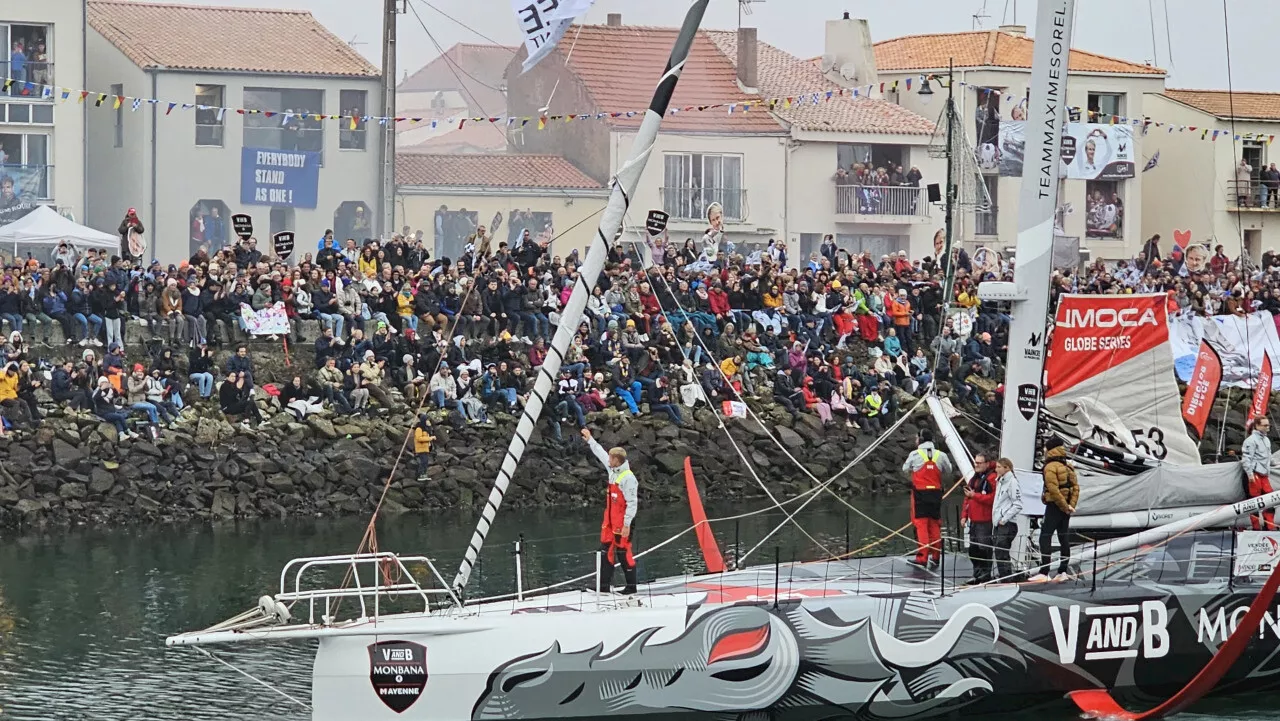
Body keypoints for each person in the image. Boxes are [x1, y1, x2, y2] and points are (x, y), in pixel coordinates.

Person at [582, 427, 638, 594]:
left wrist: (627, 524)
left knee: (623, 553)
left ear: (617, 460)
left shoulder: (628, 478)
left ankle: (631, 587)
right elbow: (600, 453)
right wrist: (590, 439)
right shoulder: (613, 471)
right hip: (610, 520)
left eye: (611, 458)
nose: (608, 460)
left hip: (623, 521)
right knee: (605, 551)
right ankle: (604, 586)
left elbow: (632, 503)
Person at [902, 428, 952, 570]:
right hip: (936, 493)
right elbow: (948, 470)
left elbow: (905, 468)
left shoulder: (915, 454)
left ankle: (922, 557)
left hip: (920, 494)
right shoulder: (941, 455)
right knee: (935, 524)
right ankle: (936, 557)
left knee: (921, 525)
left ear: (921, 439)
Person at [1031, 437, 1079, 582]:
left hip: (1054, 507)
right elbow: (1075, 488)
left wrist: (1063, 506)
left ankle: (1044, 572)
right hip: (1067, 509)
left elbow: (1053, 489)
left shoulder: (1050, 467)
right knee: (1063, 538)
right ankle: (1062, 571)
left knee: (1045, 536)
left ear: (1049, 449)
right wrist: (1070, 506)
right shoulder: (1068, 466)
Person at [961, 453, 997, 584]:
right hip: (974, 520)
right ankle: (977, 573)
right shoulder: (974, 479)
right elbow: (967, 498)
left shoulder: (992, 478)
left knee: (984, 548)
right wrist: (964, 516)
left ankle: (985, 574)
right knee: (974, 549)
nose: (976, 465)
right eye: (975, 463)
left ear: (987, 464)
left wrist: (974, 495)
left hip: (985, 520)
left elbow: (993, 499)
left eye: (979, 463)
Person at [991, 457, 1022, 581]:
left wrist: (1004, 519)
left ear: (1006, 468)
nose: (996, 469)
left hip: (1007, 523)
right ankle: (1004, 577)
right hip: (999, 522)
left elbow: (1018, 504)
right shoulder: (1000, 481)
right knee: (999, 552)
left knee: (1002, 551)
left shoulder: (1012, 482)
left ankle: (1007, 578)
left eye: (999, 467)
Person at [1242, 416, 1275, 531]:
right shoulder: (1250, 440)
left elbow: (1268, 456)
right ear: (1257, 426)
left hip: (1264, 475)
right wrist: (1250, 474)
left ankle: (1270, 527)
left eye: (1268, 425)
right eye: (1265, 425)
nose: (1268, 427)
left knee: (1270, 502)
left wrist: (1274, 463)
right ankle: (1256, 528)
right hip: (1254, 475)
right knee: (1254, 503)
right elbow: (1246, 459)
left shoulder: (1266, 440)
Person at [413, 414, 437, 481]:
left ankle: (424, 474)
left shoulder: (426, 429)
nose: (429, 422)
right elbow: (419, 438)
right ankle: (420, 475)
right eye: (427, 420)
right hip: (421, 448)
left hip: (425, 448)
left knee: (425, 462)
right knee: (423, 461)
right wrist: (430, 438)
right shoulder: (419, 428)